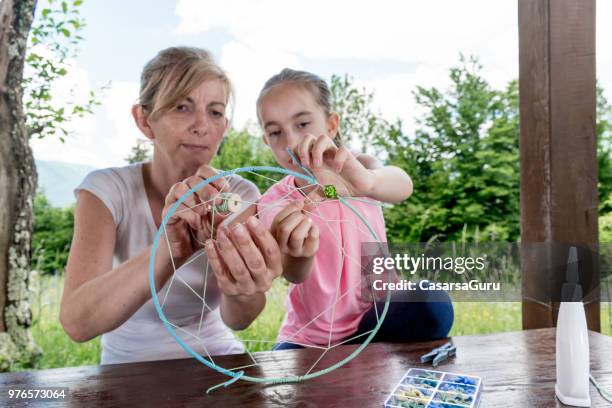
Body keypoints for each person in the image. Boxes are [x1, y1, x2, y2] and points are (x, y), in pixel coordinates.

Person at [60, 47, 283, 364]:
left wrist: (241, 285)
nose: (202, 125)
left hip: (216, 356)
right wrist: (169, 248)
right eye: (182, 107)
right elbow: (77, 323)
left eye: (216, 112)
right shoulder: (106, 189)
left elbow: (239, 319)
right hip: (129, 366)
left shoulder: (240, 193)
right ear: (144, 119)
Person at [253, 68, 454, 350]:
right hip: (312, 337)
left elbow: (402, 185)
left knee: (432, 302)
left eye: (302, 124)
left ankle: (368, 356)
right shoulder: (275, 200)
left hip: (376, 317)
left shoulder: (359, 168)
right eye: (275, 132)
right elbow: (294, 274)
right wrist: (300, 251)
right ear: (266, 140)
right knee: (284, 388)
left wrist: (367, 182)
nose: (290, 142)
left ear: (331, 125)